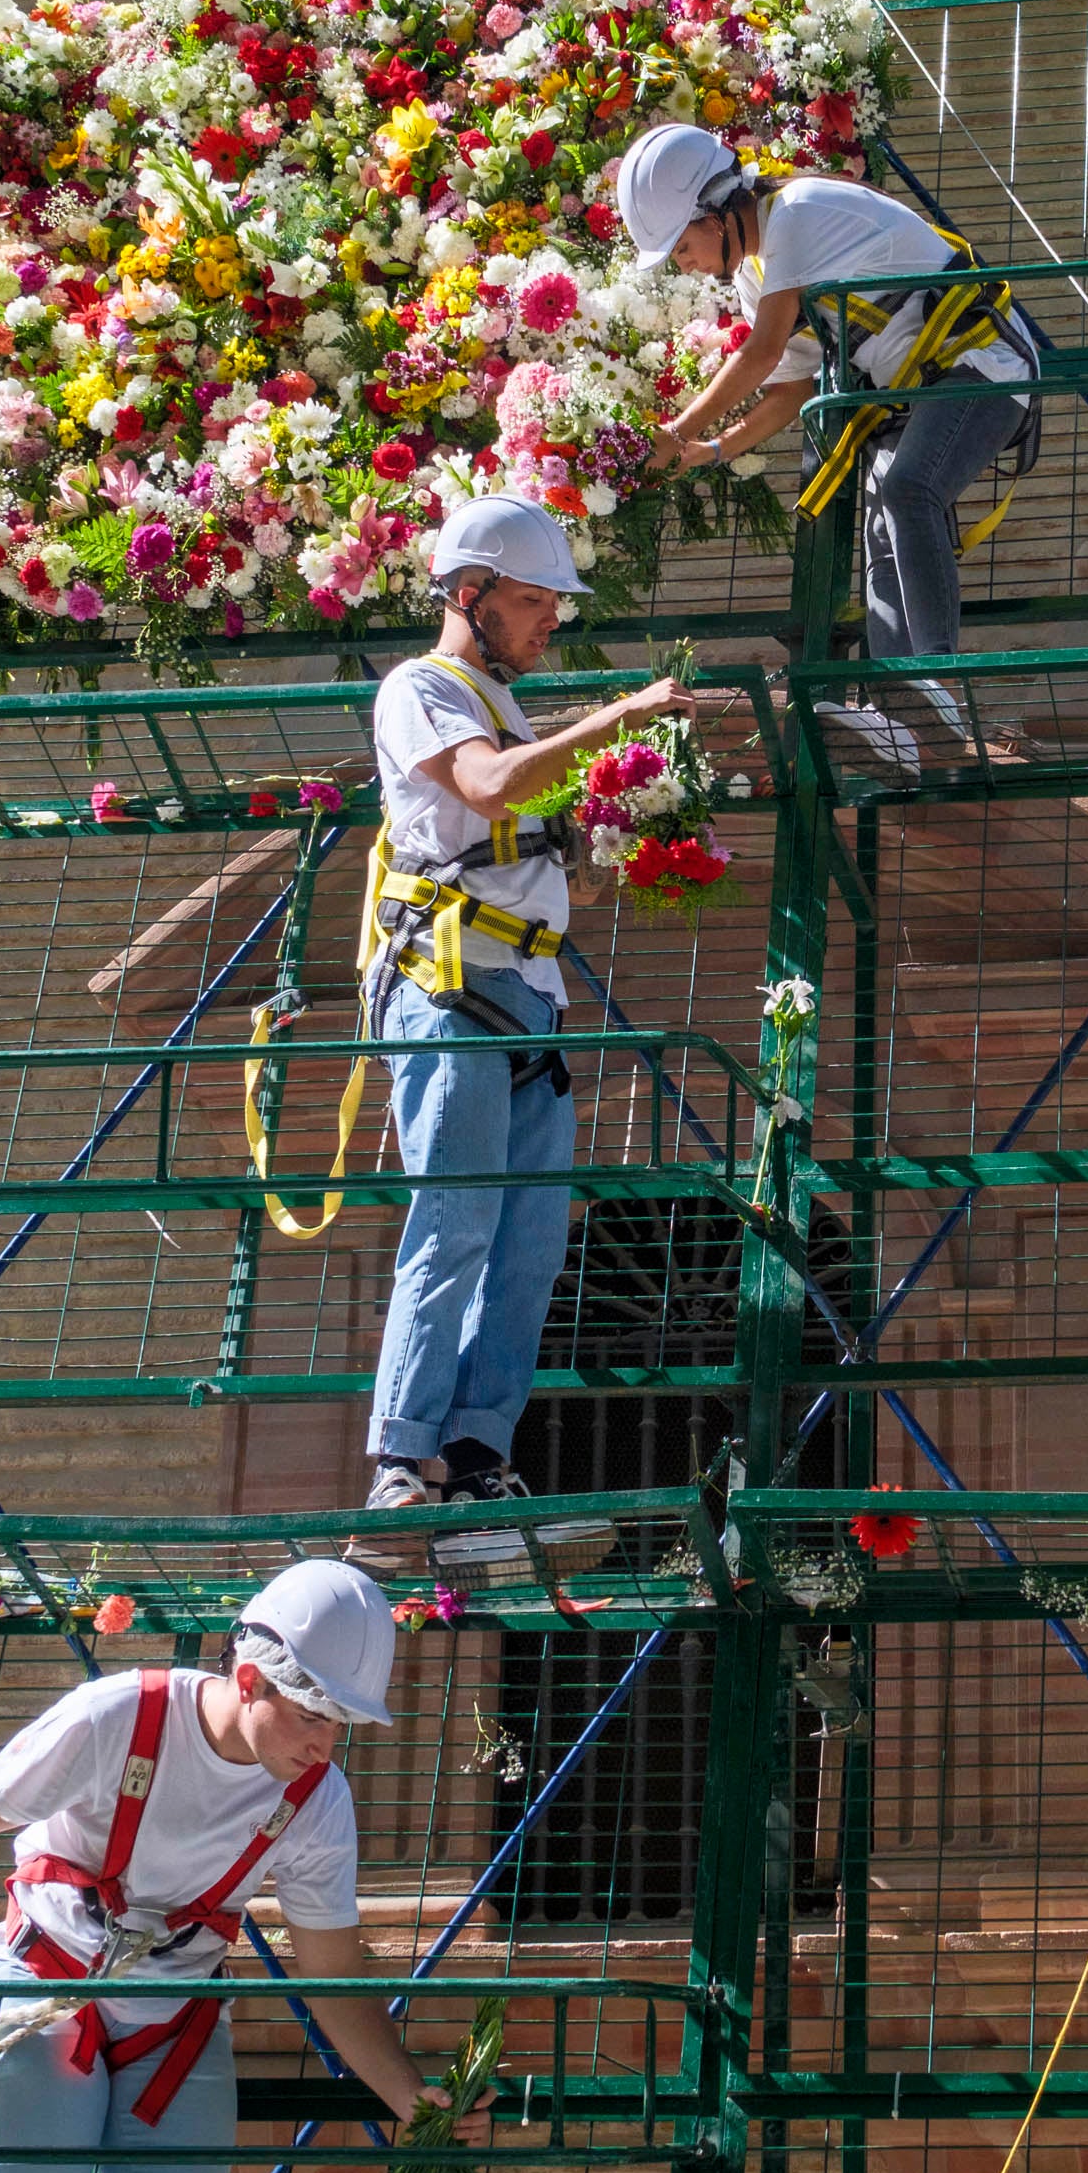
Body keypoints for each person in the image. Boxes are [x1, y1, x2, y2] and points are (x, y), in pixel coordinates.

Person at [0, 1559, 452, 2173]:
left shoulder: (318, 1799)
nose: (326, 1747)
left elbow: (332, 1974)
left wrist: (414, 2098)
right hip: (48, 1985)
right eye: (313, 1716)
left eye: (341, 1724)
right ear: (249, 1679)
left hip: (178, 2017)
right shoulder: (120, 1714)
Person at [356, 494, 685, 1559]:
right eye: (535, 600)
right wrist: (618, 725)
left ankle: (478, 1458)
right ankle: (401, 1464)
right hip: (448, 990)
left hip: (523, 997)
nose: (551, 620)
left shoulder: (503, 707)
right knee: (453, 1222)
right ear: (469, 595)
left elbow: (532, 843)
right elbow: (488, 791)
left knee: (530, 1244)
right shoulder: (423, 689)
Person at [617, 120, 1038, 668]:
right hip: (929, 392)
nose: (685, 264)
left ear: (716, 214)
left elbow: (762, 353)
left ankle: (935, 674)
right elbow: (789, 390)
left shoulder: (798, 211)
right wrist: (712, 450)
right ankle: (901, 714)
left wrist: (677, 432)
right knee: (883, 522)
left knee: (908, 490)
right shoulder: (756, 277)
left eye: (681, 247)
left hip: (985, 369)